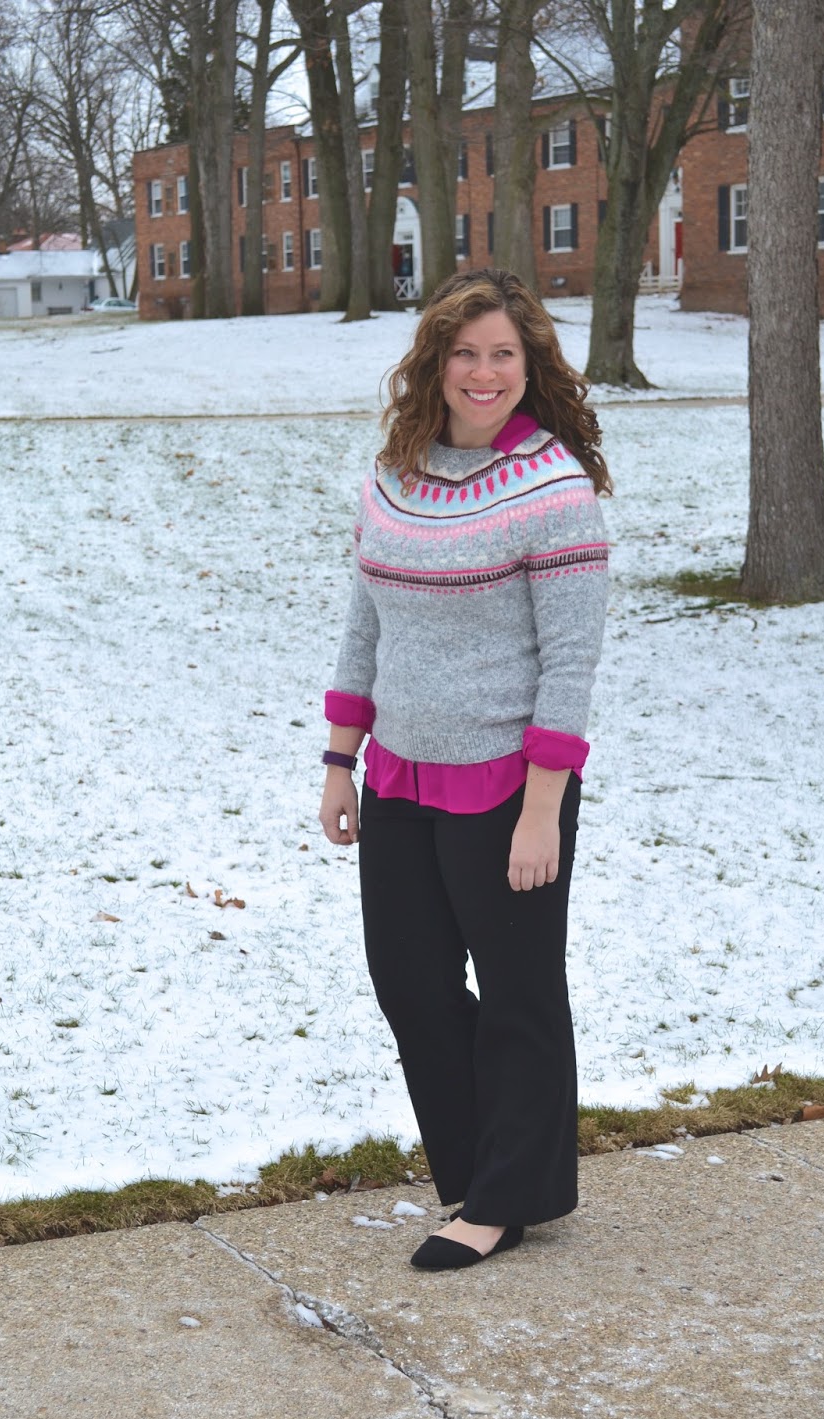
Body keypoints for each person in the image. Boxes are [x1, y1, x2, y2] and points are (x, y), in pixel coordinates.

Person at [318, 267, 611, 1272]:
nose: (483, 373)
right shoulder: (392, 475)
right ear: (435, 364)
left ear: (529, 367)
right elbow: (364, 623)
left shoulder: (554, 490)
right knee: (409, 982)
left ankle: (504, 1198)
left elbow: (569, 663)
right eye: (465, 353)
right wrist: (340, 762)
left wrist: (543, 811)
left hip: (507, 787)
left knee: (520, 994)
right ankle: (482, 1170)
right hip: (399, 777)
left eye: (503, 355)